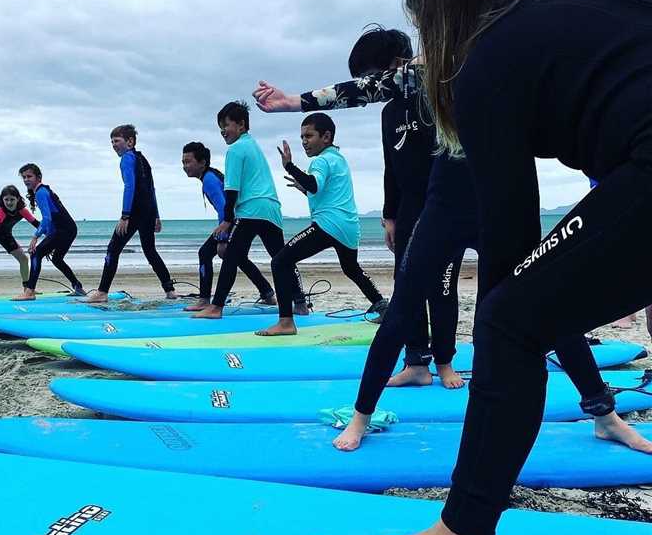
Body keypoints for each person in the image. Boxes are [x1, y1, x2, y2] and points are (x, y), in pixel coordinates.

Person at [355, 0, 652, 535]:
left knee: (506, 320)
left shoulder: (484, 64)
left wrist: (503, 336)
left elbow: (510, 248)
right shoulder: (597, 7)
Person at [253, 26, 465, 383]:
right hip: (410, 206)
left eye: (372, 76)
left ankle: (444, 362)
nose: (372, 87)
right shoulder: (389, 113)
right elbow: (391, 166)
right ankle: (417, 363)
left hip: (447, 203)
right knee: (405, 285)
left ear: (398, 64)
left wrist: (293, 101)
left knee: (442, 286)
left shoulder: (438, 92)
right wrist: (389, 216)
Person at [257, 113, 386, 335]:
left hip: (329, 225)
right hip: (348, 227)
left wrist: (289, 166)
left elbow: (314, 184)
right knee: (351, 269)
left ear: (326, 137)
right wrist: (304, 188)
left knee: (280, 262)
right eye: (302, 137)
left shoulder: (322, 160)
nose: (304, 141)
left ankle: (286, 322)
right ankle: (385, 308)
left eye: (309, 136)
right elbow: (324, 191)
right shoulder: (338, 158)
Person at [192, 101, 308, 319]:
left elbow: (232, 189)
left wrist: (227, 220)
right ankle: (300, 303)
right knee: (282, 257)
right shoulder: (253, 145)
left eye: (226, 125)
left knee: (232, 257)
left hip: (251, 210)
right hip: (271, 208)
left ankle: (216, 306)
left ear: (242, 125)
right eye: (220, 128)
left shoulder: (235, 150)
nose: (223, 131)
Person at [181, 141, 277, 310]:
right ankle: (267, 293)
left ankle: (204, 300)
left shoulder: (209, 180)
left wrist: (222, 239)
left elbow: (223, 208)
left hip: (233, 221)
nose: (185, 166)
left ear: (202, 162)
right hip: (240, 219)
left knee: (205, 253)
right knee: (239, 258)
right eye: (183, 162)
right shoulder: (210, 176)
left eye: (188, 162)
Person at [87, 125, 177, 303]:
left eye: (117, 141)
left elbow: (130, 186)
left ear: (130, 141)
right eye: (112, 142)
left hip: (134, 211)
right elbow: (151, 189)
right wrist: (156, 215)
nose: (114, 145)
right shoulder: (142, 159)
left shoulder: (127, 159)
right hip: (148, 211)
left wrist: (125, 215)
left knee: (113, 249)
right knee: (150, 251)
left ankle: (102, 292)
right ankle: (170, 291)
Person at [13, 163, 84, 301]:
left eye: (29, 176)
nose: (26, 179)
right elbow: (52, 219)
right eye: (24, 177)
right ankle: (78, 287)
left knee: (36, 254)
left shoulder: (41, 192)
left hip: (64, 229)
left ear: (38, 177)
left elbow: (47, 218)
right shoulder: (42, 191)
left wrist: (35, 237)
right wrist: (49, 240)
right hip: (69, 229)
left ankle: (29, 291)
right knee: (56, 259)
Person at [0, 185, 40, 296]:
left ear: (18, 199)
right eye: (6, 200)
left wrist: (51, 237)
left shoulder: (22, 211)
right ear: (2, 200)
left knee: (23, 259)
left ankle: (26, 288)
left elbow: (37, 224)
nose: (9, 202)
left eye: (12, 199)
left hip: (5, 235)